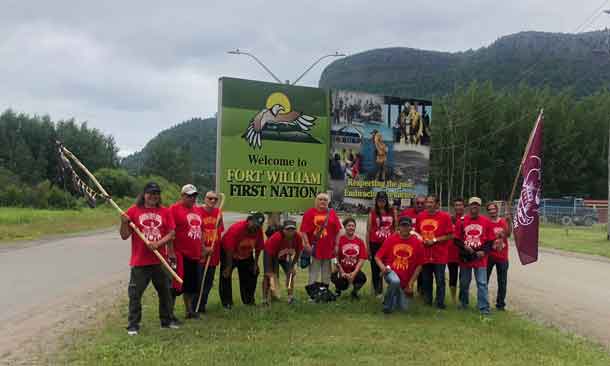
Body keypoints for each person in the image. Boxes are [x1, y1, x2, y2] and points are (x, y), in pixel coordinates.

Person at [120, 182, 177, 336]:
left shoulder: (165, 211)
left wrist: (158, 243)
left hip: (160, 261)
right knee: (135, 294)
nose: (153, 196)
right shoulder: (133, 210)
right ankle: (133, 325)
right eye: (150, 193)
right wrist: (123, 222)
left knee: (165, 292)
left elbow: (172, 233)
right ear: (144, 194)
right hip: (140, 262)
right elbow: (125, 235)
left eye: (156, 193)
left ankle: (167, 321)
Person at [168, 184, 205, 320]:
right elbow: (170, 231)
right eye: (189, 195)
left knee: (191, 285)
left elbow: (201, 230)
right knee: (176, 285)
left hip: (194, 254)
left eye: (194, 195)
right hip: (179, 254)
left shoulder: (198, 210)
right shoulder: (174, 209)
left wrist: (202, 248)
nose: (192, 198)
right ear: (182, 196)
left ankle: (189, 310)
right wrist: (171, 252)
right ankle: (169, 313)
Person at [453, 197, 495, 315]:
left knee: (482, 283)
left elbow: (491, 241)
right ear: (469, 206)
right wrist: (465, 247)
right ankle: (463, 303)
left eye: (477, 204)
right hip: (466, 256)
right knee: (464, 282)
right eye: (472, 204)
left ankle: (484, 308)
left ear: (480, 207)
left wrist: (484, 252)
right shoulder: (461, 221)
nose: (474, 206)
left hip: (480, 257)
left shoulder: (486, 221)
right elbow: (456, 240)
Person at [375, 217, 424, 313]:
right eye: (402, 226)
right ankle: (387, 307)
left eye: (407, 226)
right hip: (391, 272)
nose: (405, 228)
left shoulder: (417, 243)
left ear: (411, 228)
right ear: (398, 227)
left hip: (405, 281)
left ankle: (389, 298)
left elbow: (420, 265)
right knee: (395, 281)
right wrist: (383, 268)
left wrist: (410, 284)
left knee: (403, 309)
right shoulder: (391, 239)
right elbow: (377, 257)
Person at [300, 193, 342, 298]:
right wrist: (306, 244)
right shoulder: (309, 213)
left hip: (329, 249)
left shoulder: (332, 213)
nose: (322, 201)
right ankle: (312, 295)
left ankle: (324, 293)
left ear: (328, 202)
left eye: (325, 200)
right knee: (313, 271)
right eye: (320, 199)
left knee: (326, 272)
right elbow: (303, 230)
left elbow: (338, 231)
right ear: (316, 201)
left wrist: (337, 245)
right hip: (315, 248)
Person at [219, 212, 265, 308]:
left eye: (258, 226)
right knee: (225, 275)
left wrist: (255, 264)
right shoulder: (237, 229)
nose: (255, 228)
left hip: (246, 254)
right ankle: (227, 302)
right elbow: (229, 249)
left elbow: (259, 247)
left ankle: (248, 300)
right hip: (228, 253)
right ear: (249, 221)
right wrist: (228, 267)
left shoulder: (258, 231)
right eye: (255, 224)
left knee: (253, 273)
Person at [416, 195, 453, 309]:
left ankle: (440, 303)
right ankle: (427, 302)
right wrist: (422, 240)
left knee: (440, 280)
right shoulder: (420, 216)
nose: (428, 204)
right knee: (426, 280)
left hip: (439, 255)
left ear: (437, 204)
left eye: (431, 202)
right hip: (425, 254)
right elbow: (417, 233)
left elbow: (450, 235)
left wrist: (435, 240)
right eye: (427, 202)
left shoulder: (445, 217)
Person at [194, 191, 224, 314]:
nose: (212, 201)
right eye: (210, 198)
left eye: (215, 199)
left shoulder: (218, 213)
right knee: (198, 280)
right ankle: (193, 306)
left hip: (213, 254)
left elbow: (219, 230)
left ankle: (202, 306)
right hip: (200, 253)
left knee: (208, 282)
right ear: (205, 199)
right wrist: (203, 249)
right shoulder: (197, 212)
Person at [263, 219, 305, 305]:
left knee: (290, 274)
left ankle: (290, 298)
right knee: (269, 276)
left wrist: (292, 266)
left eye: (292, 230)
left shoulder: (297, 238)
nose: (290, 232)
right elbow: (269, 254)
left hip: (284, 256)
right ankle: (265, 299)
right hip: (271, 255)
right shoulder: (276, 237)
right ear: (283, 230)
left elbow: (298, 253)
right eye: (288, 230)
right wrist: (269, 270)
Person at [366, 191, 396, 297]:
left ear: (386, 201)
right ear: (376, 201)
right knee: (375, 269)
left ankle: (392, 290)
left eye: (383, 200)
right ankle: (377, 292)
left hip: (389, 244)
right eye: (379, 200)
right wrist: (368, 248)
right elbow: (368, 231)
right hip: (375, 244)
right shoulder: (373, 212)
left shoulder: (392, 211)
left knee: (390, 267)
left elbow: (396, 228)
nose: (381, 203)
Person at [333, 217, 368, 299]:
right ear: (345, 227)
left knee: (362, 278)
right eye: (349, 226)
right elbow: (335, 258)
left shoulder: (360, 241)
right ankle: (338, 290)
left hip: (353, 269)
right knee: (338, 280)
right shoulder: (339, 240)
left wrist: (354, 273)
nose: (351, 228)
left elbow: (361, 259)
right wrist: (341, 272)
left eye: (353, 226)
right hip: (342, 269)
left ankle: (354, 293)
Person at [487, 202, 511, 311]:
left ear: (497, 210)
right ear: (488, 211)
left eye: (493, 209)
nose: (492, 211)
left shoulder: (503, 221)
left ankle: (500, 304)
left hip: (502, 257)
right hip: (489, 256)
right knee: (484, 280)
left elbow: (508, 234)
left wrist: (509, 223)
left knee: (502, 282)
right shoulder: (486, 223)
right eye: (490, 209)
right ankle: (483, 302)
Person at [399, 195, 426, 294]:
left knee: (422, 273)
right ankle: (407, 290)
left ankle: (420, 293)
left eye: (422, 203)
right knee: (408, 270)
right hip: (407, 248)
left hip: (423, 248)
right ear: (414, 203)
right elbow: (399, 227)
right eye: (417, 203)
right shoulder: (406, 213)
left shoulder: (427, 215)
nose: (419, 205)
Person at [448, 198, 465, 304]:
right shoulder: (450, 219)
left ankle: (462, 298)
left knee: (463, 278)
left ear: (464, 206)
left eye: (460, 205)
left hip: (463, 252)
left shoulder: (467, 219)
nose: (458, 207)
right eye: (456, 205)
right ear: (454, 207)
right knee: (452, 276)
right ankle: (453, 299)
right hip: (451, 253)